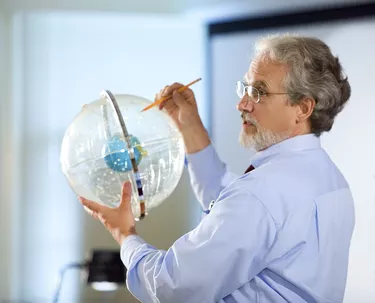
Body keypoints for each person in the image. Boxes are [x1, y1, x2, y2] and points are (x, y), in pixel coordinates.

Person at [80, 34, 355, 303]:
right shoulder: (331, 180)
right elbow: (227, 205)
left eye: (258, 92)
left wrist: (125, 235)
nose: (242, 104)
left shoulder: (260, 194)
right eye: (245, 88)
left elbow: (173, 287)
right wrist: (189, 125)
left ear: (303, 108)